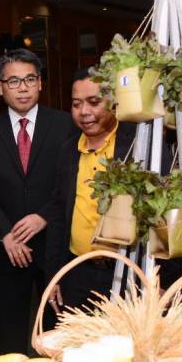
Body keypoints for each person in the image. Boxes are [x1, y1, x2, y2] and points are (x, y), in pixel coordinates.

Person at [0, 48, 73, 355]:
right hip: (8, 249)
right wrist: (5, 234)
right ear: (0, 87)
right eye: (13, 81)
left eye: (29, 79)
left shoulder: (65, 125)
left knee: (59, 333)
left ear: (40, 82)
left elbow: (72, 182)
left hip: (55, 244)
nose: (23, 87)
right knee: (10, 335)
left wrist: (44, 216)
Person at [45, 68, 137, 312]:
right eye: (76, 104)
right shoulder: (68, 150)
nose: (84, 111)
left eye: (94, 102)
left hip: (127, 275)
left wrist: (163, 280)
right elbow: (58, 214)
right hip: (77, 273)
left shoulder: (136, 146)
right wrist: (54, 275)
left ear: (113, 101)